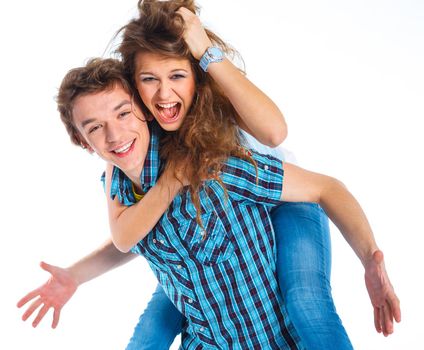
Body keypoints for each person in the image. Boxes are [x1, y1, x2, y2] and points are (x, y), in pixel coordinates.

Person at [17, 1, 400, 349]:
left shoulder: (214, 126)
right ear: (136, 92)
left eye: (177, 77)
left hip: (288, 201)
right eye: (149, 80)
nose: (164, 95)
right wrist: (76, 275)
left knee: (306, 303)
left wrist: (369, 258)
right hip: (206, 261)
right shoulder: (126, 157)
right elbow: (127, 234)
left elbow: (279, 138)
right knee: (150, 332)